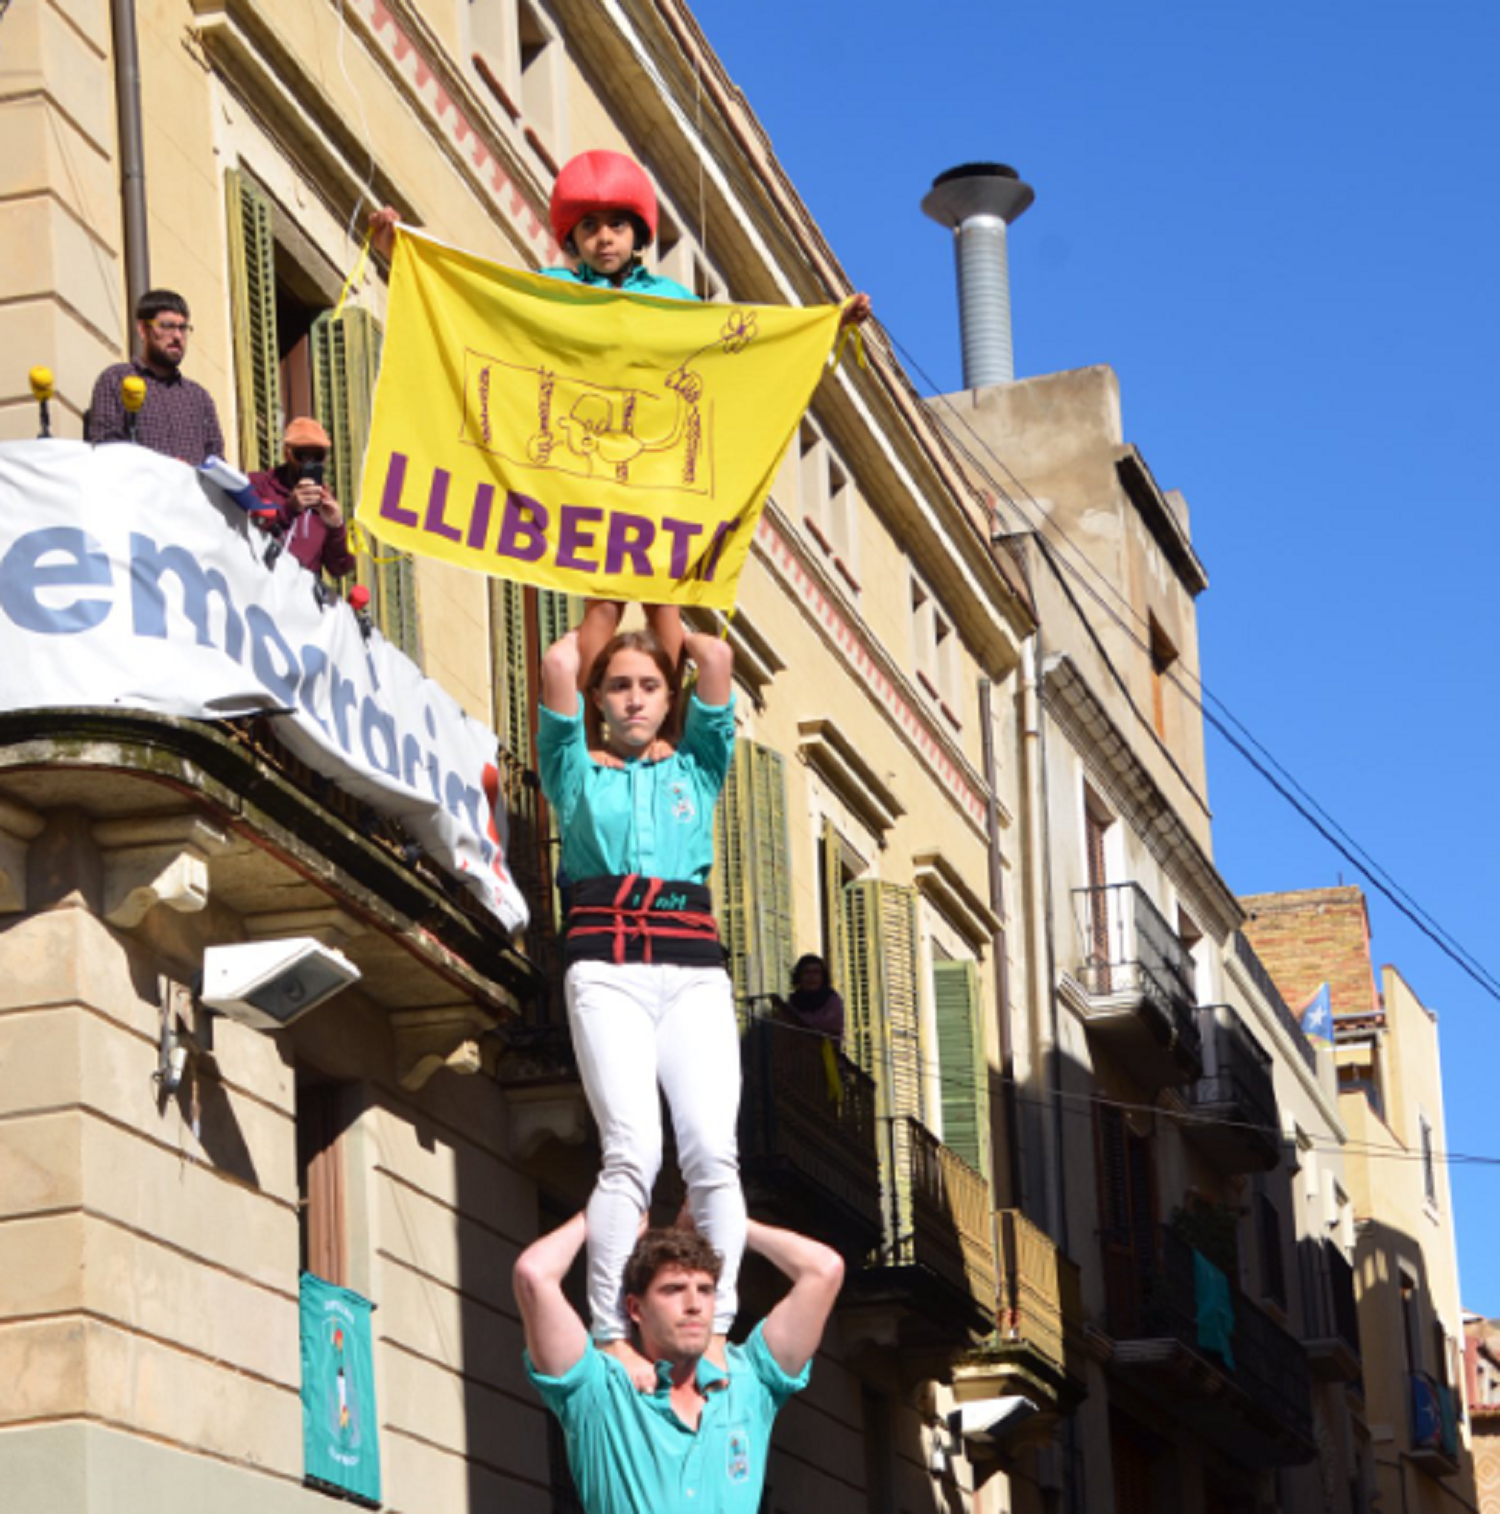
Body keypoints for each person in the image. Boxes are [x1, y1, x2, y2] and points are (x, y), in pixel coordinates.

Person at [537, 598, 742, 1388]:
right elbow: (559, 664)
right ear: (597, 698)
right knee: (632, 1151)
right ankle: (610, 1331)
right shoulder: (572, 769)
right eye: (618, 685)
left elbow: (715, 659)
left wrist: (662, 582)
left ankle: (717, 1327)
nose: (633, 699)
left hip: (693, 975)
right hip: (608, 971)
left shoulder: (698, 765)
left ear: (669, 695)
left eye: (649, 685)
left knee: (711, 1152)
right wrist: (604, 601)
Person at [514, 1213, 843, 1514]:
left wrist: (728, 1219)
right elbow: (533, 1274)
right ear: (635, 1308)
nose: (694, 1304)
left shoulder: (749, 1382)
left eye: (705, 1290)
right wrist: (604, 1212)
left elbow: (824, 1270)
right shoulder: (601, 1390)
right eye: (674, 1290)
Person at [368, 147, 871, 324]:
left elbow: (745, 339)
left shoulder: (676, 300)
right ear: (573, 238)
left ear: (638, 234)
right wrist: (403, 250)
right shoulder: (550, 287)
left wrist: (826, 325)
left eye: (616, 225)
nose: (604, 238)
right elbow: (478, 293)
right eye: (589, 227)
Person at [88, 289, 226, 465]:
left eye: (183, 328)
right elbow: (106, 448)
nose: (177, 336)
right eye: (167, 326)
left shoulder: (199, 398)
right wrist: (164, 469)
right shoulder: (116, 380)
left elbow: (217, 462)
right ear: (142, 329)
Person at [248, 418, 357, 578]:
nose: (309, 463)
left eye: (317, 456)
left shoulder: (325, 504)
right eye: (302, 456)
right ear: (287, 453)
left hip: (299, 591)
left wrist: (336, 527)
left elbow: (340, 569)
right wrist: (289, 509)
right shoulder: (259, 485)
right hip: (259, 583)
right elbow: (246, 533)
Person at [782, 953, 846, 1043]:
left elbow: (831, 1026)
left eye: (816, 972)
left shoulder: (831, 999)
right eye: (806, 972)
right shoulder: (792, 1002)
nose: (811, 977)